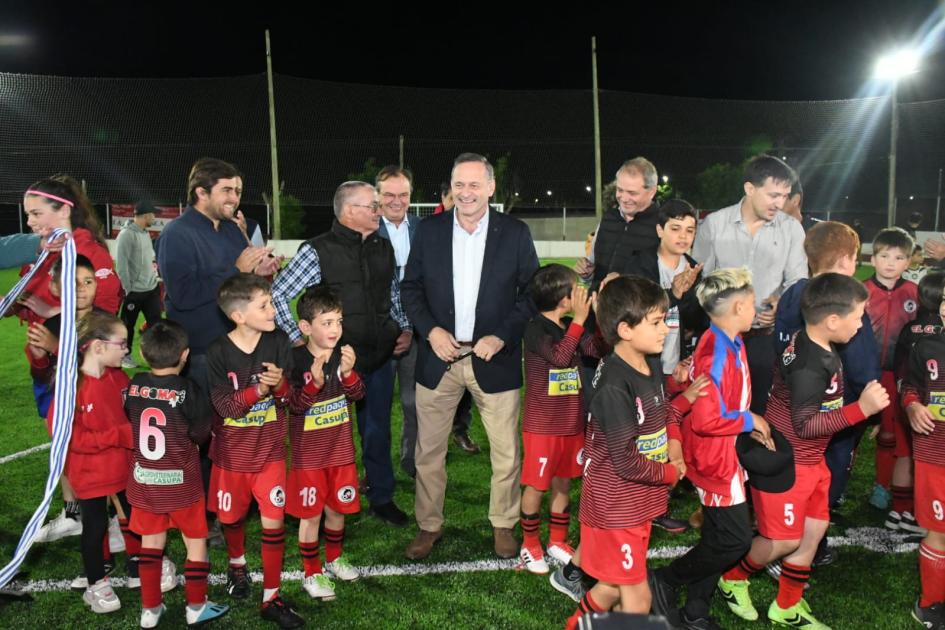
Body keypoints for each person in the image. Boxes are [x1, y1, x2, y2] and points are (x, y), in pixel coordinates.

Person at [719, 273, 889, 628]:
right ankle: (732, 579)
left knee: (813, 531)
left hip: (811, 461)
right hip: (787, 465)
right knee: (782, 541)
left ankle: (786, 607)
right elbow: (806, 426)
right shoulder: (811, 365)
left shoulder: (817, 344)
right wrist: (863, 409)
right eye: (857, 317)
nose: (861, 325)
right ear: (832, 321)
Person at [400, 152, 539, 560]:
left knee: (505, 452)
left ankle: (503, 524)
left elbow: (531, 293)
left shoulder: (514, 232)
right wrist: (431, 330)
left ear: (491, 188)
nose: (466, 192)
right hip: (438, 357)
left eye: (474, 184)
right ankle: (428, 525)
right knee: (428, 452)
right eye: (459, 184)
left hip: (493, 357)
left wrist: (500, 335)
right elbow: (411, 289)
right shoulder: (429, 230)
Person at [564, 276, 704, 630]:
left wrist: (673, 442)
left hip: (638, 500)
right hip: (616, 505)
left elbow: (662, 413)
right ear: (625, 330)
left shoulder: (650, 362)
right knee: (638, 601)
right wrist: (671, 474)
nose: (665, 331)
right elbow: (625, 461)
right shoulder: (614, 384)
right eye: (656, 323)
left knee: (611, 585)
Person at [271, 180, 411, 527]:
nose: (381, 211)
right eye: (373, 206)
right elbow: (278, 295)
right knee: (315, 434)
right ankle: (306, 503)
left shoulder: (382, 246)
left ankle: (381, 496)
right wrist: (298, 338)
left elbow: (391, 294)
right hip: (330, 365)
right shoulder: (317, 250)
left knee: (377, 429)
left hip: (378, 358)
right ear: (351, 211)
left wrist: (404, 327)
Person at [649, 267, 774, 629]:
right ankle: (665, 580)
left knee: (720, 536)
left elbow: (724, 405)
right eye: (751, 303)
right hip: (717, 460)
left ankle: (696, 611)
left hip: (724, 453)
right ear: (736, 308)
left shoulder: (725, 339)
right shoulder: (717, 351)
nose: (756, 309)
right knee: (734, 541)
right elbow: (705, 420)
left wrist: (745, 419)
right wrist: (750, 421)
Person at [773, 221, 880, 565]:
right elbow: (863, 369)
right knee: (825, 483)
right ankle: (802, 548)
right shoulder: (844, 304)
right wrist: (868, 408)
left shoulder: (793, 293)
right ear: (849, 259)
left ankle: (789, 536)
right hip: (834, 416)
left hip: (787, 408)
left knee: (793, 482)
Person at [205, 274, 303, 628]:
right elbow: (225, 406)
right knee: (230, 520)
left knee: (273, 524)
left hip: (270, 452)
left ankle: (271, 597)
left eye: (272, 302)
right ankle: (237, 565)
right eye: (264, 305)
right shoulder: (216, 353)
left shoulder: (278, 341)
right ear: (239, 316)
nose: (274, 309)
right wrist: (259, 392)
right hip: (232, 457)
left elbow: (290, 399)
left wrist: (279, 387)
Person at [126, 321, 229, 628]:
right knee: (196, 542)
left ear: (143, 353)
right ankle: (196, 607)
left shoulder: (132, 385)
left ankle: (150, 609)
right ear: (185, 355)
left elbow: (129, 415)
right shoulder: (188, 390)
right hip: (182, 484)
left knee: (150, 545)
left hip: (146, 483)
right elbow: (201, 432)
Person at [692, 154, 807, 415]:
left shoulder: (791, 229)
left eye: (785, 196)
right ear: (749, 188)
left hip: (766, 341)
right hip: (720, 338)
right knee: (716, 411)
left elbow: (798, 282)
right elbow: (700, 282)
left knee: (759, 411)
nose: (780, 203)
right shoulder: (714, 225)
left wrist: (782, 304)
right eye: (773, 195)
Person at [157, 158, 280, 392]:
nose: (235, 198)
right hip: (202, 354)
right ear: (202, 192)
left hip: (240, 345)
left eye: (237, 191)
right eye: (226, 190)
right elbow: (183, 295)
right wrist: (236, 270)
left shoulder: (231, 230)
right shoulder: (177, 234)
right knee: (207, 425)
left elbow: (238, 282)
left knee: (241, 424)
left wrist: (256, 272)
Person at [48, 312, 139, 615]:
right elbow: (70, 439)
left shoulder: (119, 378)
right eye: (122, 344)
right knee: (96, 525)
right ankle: (96, 584)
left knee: (137, 516)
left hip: (123, 467)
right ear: (98, 347)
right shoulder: (69, 387)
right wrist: (120, 435)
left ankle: (142, 563)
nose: (126, 350)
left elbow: (133, 413)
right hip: (89, 473)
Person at [518, 265, 604, 575]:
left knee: (564, 484)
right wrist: (579, 322)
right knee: (536, 486)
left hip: (571, 424)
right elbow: (560, 357)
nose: (581, 292)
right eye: (576, 288)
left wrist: (600, 316)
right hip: (543, 426)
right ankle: (530, 544)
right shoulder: (535, 328)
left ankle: (557, 540)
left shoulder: (571, 325)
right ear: (562, 298)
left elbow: (595, 349)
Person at [286, 287, 365, 602]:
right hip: (309, 457)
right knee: (312, 515)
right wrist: (315, 384)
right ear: (306, 327)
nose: (335, 329)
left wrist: (348, 374)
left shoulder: (344, 355)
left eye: (339, 322)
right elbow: (292, 405)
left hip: (341, 452)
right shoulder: (294, 360)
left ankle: (334, 558)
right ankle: (311, 571)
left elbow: (359, 395)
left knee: (337, 508)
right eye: (327, 322)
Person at [863, 228, 920, 522]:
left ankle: (889, 489)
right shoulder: (862, 291)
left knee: (897, 433)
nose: (890, 262)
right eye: (884, 256)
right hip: (867, 374)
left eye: (898, 257)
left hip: (899, 374)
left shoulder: (914, 293)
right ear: (872, 258)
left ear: (908, 262)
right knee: (866, 432)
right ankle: (876, 485)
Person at [899, 272, 945, 629]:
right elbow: (910, 384)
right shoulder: (926, 348)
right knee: (938, 531)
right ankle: (930, 603)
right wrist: (913, 406)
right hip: (935, 454)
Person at [17, 175, 122, 325]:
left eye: (36, 213)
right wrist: (12, 305)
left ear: (64, 211)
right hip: (42, 347)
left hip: (73, 346)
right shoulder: (39, 252)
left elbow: (106, 312)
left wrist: (53, 313)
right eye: (28, 214)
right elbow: (29, 301)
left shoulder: (91, 253)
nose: (29, 221)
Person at [575, 157, 661, 289]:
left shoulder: (663, 226)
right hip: (598, 306)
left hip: (636, 308)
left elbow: (665, 280)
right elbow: (593, 271)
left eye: (632, 193)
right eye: (620, 190)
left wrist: (623, 280)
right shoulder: (608, 219)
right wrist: (587, 272)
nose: (624, 198)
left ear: (651, 192)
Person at [115, 200, 162, 368]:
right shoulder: (126, 235)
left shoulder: (144, 233)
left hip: (151, 289)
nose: (155, 217)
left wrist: (154, 279)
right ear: (145, 215)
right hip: (134, 292)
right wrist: (128, 289)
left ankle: (158, 357)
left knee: (156, 325)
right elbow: (122, 265)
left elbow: (149, 261)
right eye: (153, 214)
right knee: (127, 326)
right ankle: (124, 356)